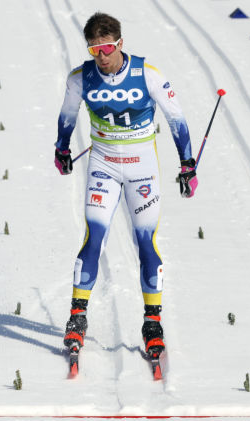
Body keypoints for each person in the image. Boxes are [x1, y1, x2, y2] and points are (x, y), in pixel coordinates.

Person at [54, 12, 195, 362]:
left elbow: (177, 119)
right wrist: (61, 148)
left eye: (106, 48)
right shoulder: (80, 78)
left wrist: (187, 164)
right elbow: (67, 116)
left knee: (145, 242)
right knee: (94, 236)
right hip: (102, 165)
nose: (101, 56)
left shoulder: (147, 73)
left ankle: (152, 323)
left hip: (141, 168)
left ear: (119, 43)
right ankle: (77, 317)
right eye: (93, 49)